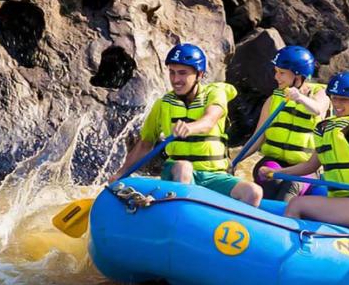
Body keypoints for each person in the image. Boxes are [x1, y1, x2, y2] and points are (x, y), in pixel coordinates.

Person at [110, 43, 263, 206]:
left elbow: (210, 120)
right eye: (172, 73)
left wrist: (190, 127)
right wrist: (121, 172)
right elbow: (145, 143)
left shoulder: (215, 93)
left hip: (214, 176)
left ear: (199, 74)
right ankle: (179, 216)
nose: (176, 80)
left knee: (253, 192)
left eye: (182, 73)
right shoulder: (162, 104)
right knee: (184, 167)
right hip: (177, 171)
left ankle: (228, 228)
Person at [259, 72, 349, 229]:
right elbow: (310, 166)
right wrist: (276, 173)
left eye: (344, 99)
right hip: (343, 200)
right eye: (334, 98)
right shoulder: (326, 129)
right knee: (299, 205)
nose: (337, 104)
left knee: (296, 205)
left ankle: (290, 248)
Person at [236, 45, 329, 201]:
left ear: (298, 76)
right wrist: (235, 161)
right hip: (275, 162)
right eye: (276, 72)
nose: (276, 77)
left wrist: (299, 98)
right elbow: (257, 138)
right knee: (274, 180)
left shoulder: (321, 94)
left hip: (306, 167)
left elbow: (318, 109)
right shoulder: (273, 101)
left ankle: (283, 221)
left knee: (291, 186)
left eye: (282, 73)